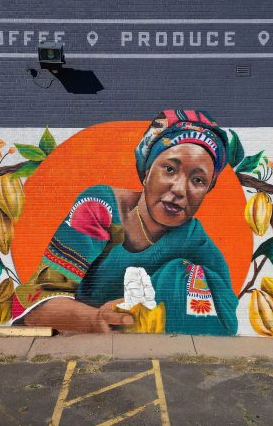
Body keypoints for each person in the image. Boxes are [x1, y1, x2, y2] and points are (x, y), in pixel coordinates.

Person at [12, 110, 238, 335]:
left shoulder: (194, 240)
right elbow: (32, 306)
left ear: (207, 191)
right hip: (78, 350)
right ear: (147, 169)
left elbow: (227, 317)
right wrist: (95, 320)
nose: (179, 189)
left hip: (159, 358)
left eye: (198, 180)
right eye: (169, 169)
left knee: (182, 275)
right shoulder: (101, 208)